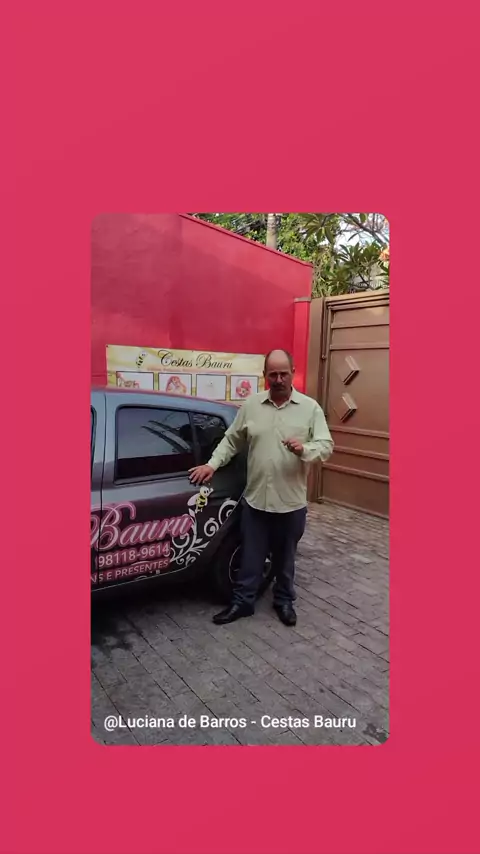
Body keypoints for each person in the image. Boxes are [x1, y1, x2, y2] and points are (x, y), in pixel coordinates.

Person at [189, 349, 334, 626]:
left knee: (285, 559)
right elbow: (232, 440)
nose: (278, 379)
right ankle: (243, 603)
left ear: (293, 373)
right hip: (255, 501)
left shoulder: (310, 408)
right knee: (251, 557)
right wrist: (212, 465)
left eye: (283, 374)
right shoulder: (252, 405)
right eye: (273, 374)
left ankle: (284, 601)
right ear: (265, 375)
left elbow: (325, 446)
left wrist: (304, 449)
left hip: (290, 503)